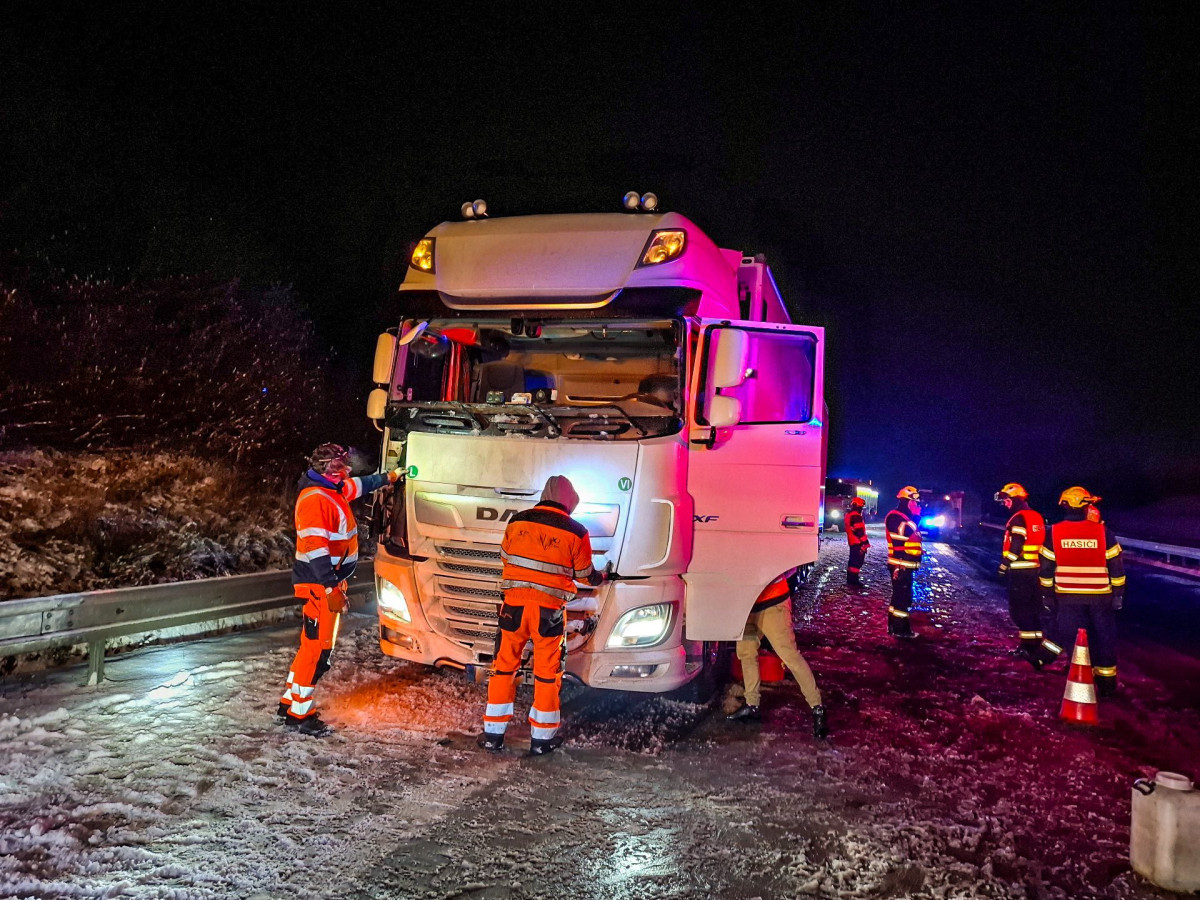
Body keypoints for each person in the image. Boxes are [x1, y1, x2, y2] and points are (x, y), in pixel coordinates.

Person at [479, 475, 606, 755]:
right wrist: (602, 577)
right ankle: (542, 740)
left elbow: (506, 556)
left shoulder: (518, 521)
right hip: (548, 612)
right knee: (547, 674)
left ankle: (493, 735)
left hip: (512, 608)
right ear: (569, 502)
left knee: (503, 668)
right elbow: (586, 574)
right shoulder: (576, 530)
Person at [278, 443, 400, 735]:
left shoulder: (332, 489)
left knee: (309, 646)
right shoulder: (314, 500)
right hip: (321, 585)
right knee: (319, 652)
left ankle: (289, 702)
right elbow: (316, 550)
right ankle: (300, 715)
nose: (345, 471)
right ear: (324, 469)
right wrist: (332, 588)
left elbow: (359, 485)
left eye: (344, 465)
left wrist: (389, 477)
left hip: (324, 584)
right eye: (338, 467)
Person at [1027, 487, 1126, 697]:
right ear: (1086, 505)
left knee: (1073, 640)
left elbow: (1046, 569)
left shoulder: (1053, 532)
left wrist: (1047, 595)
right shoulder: (1102, 532)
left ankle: (1081, 680)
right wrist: (1118, 594)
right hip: (1101, 598)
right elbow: (1116, 566)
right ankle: (1107, 687)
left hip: (1068, 598)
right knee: (1104, 639)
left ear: (1064, 505)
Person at [727, 576, 828, 738]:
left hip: (773, 602)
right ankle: (752, 704)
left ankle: (817, 708)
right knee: (746, 652)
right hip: (748, 605)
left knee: (790, 656)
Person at [994, 483, 1047, 657]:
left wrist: (1004, 565)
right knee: (1032, 609)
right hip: (1035, 570)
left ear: (1015, 499)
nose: (1005, 504)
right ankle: (1035, 645)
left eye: (1007, 500)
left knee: (1019, 610)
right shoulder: (1036, 516)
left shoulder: (1018, 518)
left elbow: (1016, 545)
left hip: (1020, 571)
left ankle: (1027, 648)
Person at [884, 486, 923, 638]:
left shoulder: (905, 517)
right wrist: (916, 518)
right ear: (907, 501)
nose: (917, 506)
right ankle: (901, 631)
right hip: (900, 564)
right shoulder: (895, 516)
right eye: (915, 502)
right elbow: (906, 533)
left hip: (904, 564)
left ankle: (894, 627)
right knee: (902, 598)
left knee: (900, 596)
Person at [845, 496, 870, 586]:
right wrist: (865, 543)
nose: (862, 509)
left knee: (852, 562)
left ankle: (850, 580)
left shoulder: (849, 515)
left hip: (852, 542)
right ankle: (854, 582)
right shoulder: (856, 516)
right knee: (857, 562)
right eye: (861, 507)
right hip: (857, 543)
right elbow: (859, 531)